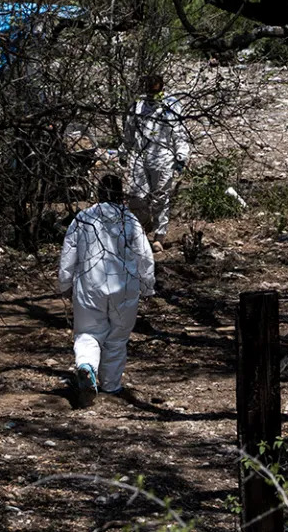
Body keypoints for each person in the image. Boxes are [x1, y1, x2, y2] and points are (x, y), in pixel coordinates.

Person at [58, 174, 155, 405]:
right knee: (117, 338)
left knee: (88, 333)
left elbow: (68, 254)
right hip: (125, 287)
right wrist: (147, 287)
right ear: (121, 194)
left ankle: (87, 366)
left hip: (89, 285)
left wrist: (64, 284)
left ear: (98, 193)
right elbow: (144, 255)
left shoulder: (83, 218)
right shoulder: (129, 220)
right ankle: (111, 385)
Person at [123, 73, 191, 252]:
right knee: (137, 197)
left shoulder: (171, 106)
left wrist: (181, 156)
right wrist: (124, 150)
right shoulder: (138, 105)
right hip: (140, 156)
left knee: (160, 197)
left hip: (163, 158)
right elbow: (129, 130)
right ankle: (141, 232)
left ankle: (159, 236)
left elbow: (179, 132)